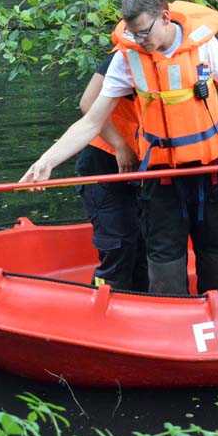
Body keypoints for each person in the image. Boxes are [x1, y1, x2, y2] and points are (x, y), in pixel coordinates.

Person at [20, 0, 218, 294]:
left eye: (143, 33)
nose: (140, 41)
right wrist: (46, 161)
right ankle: (170, 328)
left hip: (208, 176)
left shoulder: (205, 46)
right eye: (134, 34)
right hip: (161, 181)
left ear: (165, 17)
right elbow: (91, 120)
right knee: (165, 274)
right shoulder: (128, 59)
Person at [74, 53, 148, 291]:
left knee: (144, 243)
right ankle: (103, 301)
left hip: (143, 167)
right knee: (119, 243)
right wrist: (120, 146)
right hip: (104, 161)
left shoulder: (178, 57)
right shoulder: (123, 57)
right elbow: (87, 103)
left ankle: (143, 303)